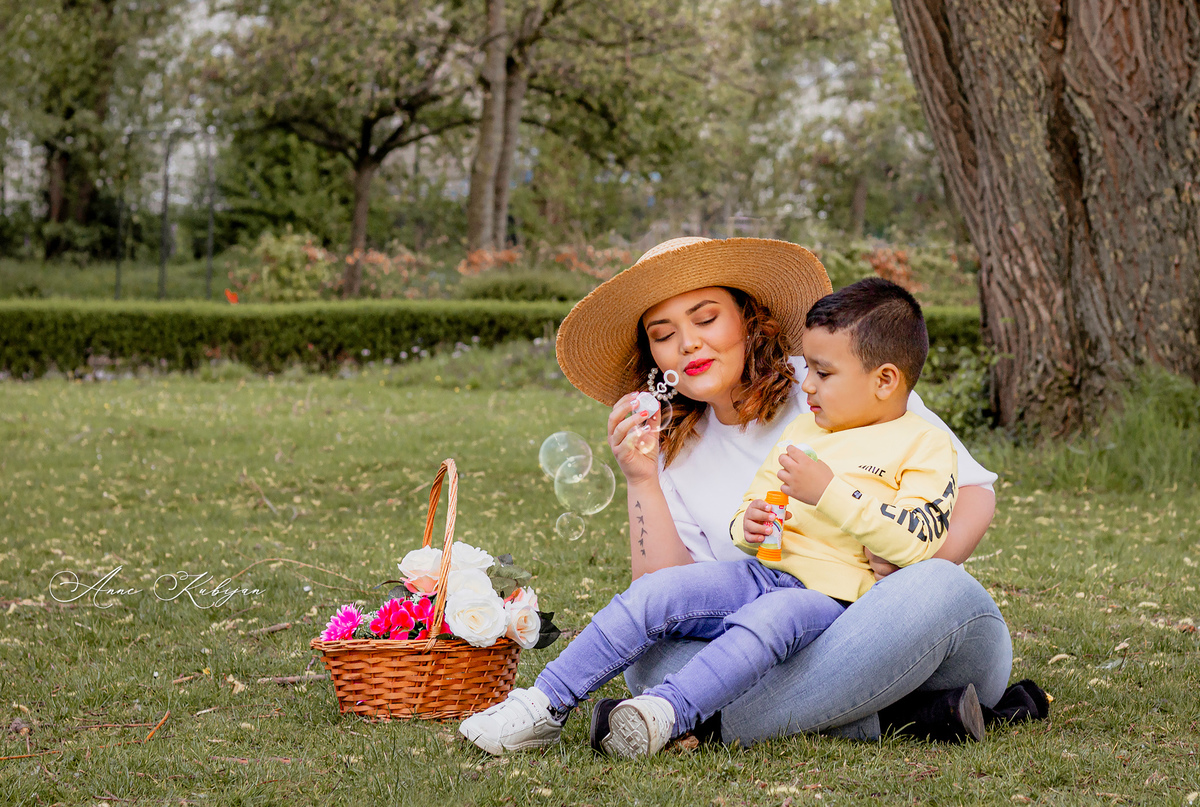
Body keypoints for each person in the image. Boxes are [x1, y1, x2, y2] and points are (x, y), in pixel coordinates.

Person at [475, 238, 1017, 753]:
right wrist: (642, 477)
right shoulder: (671, 448)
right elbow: (664, 591)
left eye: (706, 318)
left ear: (749, 318)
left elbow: (974, 493)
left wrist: (911, 568)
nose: (687, 343)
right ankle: (906, 718)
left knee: (935, 586)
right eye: (664, 334)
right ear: (653, 356)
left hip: (912, 627)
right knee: (651, 659)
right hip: (777, 625)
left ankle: (700, 723)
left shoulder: (832, 377)